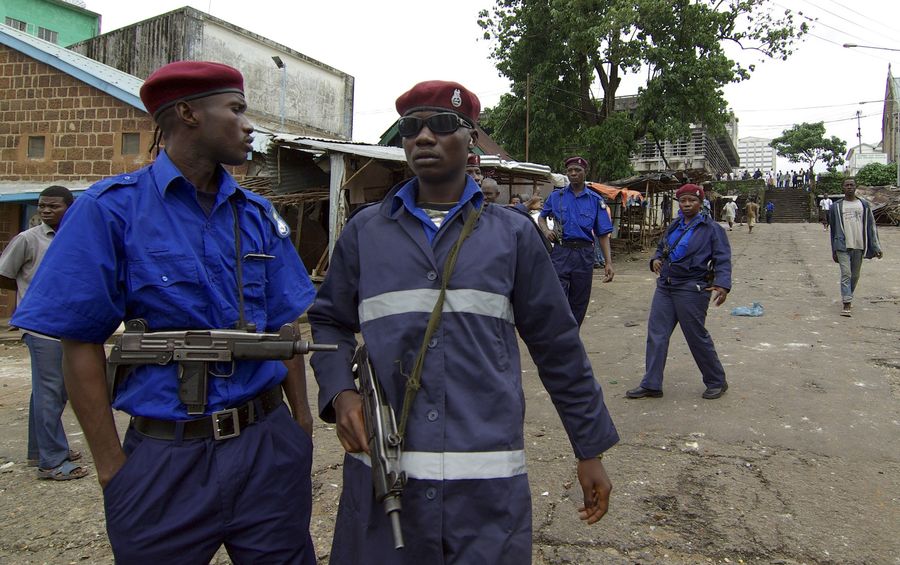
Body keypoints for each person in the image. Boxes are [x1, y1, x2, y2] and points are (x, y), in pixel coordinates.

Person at [10, 61, 318, 563]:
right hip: (165, 456)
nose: (249, 126)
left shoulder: (257, 215)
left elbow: (285, 326)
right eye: (236, 109)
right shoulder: (110, 210)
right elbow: (79, 340)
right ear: (188, 114)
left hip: (266, 446)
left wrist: (300, 427)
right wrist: (112, 467)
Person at [308, 80, 618, 565]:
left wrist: (589, 448)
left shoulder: (513, 235)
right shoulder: (365, 232)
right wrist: (340, 392)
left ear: (471, 137)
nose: (423, 137)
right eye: (411, 127)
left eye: (442, 124)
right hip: (386, 483)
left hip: (486, 489)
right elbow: (328, 320)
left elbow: (558, 346)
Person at [0, 185, 87, 481]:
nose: (46, 211)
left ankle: (39, 450)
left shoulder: (75, 237)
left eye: (53, 206)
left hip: (67, 325)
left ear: (69, 208)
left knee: (51, 390)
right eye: (42, 206)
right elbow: (5, 275)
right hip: (40, 327)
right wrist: (31, 297)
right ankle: (52, 462)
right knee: (50, 391)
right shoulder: (28, 239)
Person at [626, 184, 732, 400]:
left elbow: (722, 258)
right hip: (666, 286)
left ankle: (716, 381)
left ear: (700, 203)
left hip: (692, 288)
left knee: (695, 336)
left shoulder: (712, 229)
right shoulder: (675, 225)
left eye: (692, 200)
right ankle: (651, 384)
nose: (687, 204)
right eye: (683, 201)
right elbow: (661, 247)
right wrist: (655, 259)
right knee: (657, 335)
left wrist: (722, 284)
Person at [538, 156, 614, 325]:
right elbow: (542, 217)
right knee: (556, 296)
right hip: (560, 252)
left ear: (585, 172)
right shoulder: (556, 197)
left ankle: (572, 333)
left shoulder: (595, 200)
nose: (573, 173)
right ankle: (559, 332)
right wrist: (546, 231)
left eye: (577, 170)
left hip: (584, 255)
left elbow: (603, 234)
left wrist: (608, 262)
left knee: (579, 300)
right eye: (570, 170)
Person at [829, 178, 883, 317]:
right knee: (846, 274)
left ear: (855, 187)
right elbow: (833, 230)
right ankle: (846, 303)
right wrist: (834, 249)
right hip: (842, 245)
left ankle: (848, 295)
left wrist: (876, 246)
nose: (849, 187)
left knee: (855, 275)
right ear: (843, 188)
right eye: (846, 185)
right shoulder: (836, 207)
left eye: (851, 185)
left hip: (859, 244)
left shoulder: (864, 205)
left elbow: (871, 226)